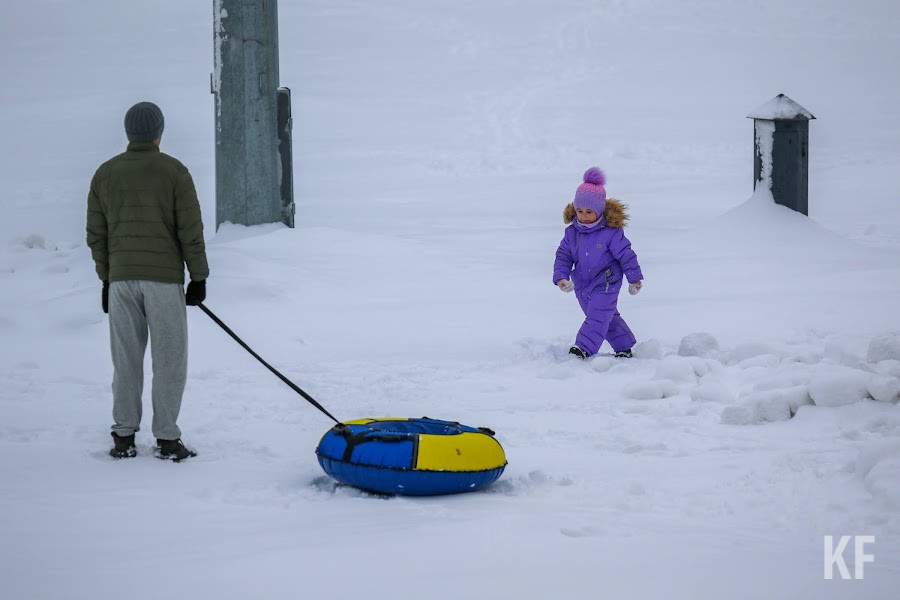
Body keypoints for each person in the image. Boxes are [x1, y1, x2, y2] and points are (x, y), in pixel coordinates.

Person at [86, 101, 209, 461]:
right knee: (168, 360)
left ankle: (123, 435)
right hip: (163, 281)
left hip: (122, 281)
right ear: (159, 132)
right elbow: (190, 230)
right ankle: (167, 439)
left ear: (129, 133)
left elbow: (97, 234)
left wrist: (106, 279)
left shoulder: (105, 174)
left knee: (126, 360)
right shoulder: (174, 172)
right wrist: (198, 276)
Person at [553, 167, 643, 359]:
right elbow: (563, 255)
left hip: (606, 282)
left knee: (598, 315)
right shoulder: (572, 233)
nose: (583, 216)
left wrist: (634, 278)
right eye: (579, 211)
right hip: (582, 284)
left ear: (600, 211)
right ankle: (624, 345)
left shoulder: (611, 232)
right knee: (605, 317)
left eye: (589, 211)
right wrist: (561, 276)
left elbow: (626, 255)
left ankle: (583, 348)